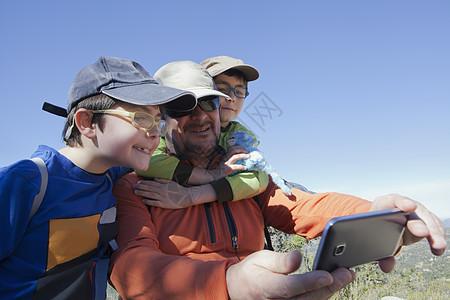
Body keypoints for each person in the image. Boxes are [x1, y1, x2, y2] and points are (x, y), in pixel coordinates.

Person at [108, 61, 446, 299]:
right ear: (162, 119)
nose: (199, 116)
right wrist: (227, 284)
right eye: (182, 107)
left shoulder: (243, 173)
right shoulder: (136, 185)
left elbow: (301, 206)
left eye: (209, 102)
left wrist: (375, 213)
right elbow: (132, 267)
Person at [0, 56, 196, 299]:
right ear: (87, 123)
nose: (155, 134)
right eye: (141, 118)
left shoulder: (113, 175)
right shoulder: (26, 183)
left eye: (158, 121)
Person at [135, 60, 269, 207]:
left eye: (209, 102)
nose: (231, 98)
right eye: (183, 106)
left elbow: (259, 176)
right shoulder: (157, 140)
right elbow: (146, 161)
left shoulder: (238, 134)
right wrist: (210, 177)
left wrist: (195, 195)